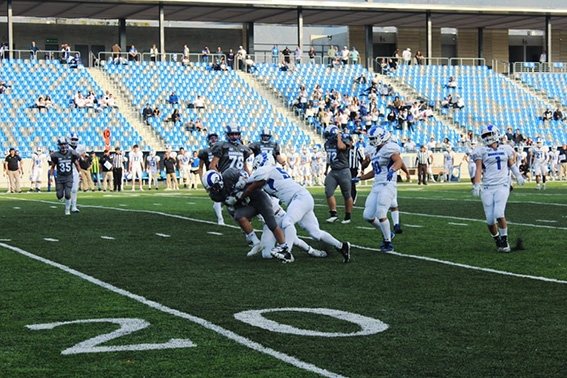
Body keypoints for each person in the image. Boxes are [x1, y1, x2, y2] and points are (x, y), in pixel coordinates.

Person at [240, 153, 351, 263]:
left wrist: (240, 185)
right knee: (316, 233)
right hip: (301, 198)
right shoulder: (271, 172)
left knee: (288, 221)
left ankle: (286, 251)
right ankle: (341, 246)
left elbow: (250, 181)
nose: (257, 170)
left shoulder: (268, 169)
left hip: (299, 198)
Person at [202, 168, 286, 259]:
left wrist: (242, 188)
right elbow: (231, 205)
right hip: (247, 204)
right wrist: (233, 202)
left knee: (271, 224)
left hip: (257, 198)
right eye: (211, 189)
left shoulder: (229, 175)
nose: (214, 190)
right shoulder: (215, 195)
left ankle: (284, 248)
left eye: (214, 186)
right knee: (238, 216)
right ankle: (256, 243)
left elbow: (251, 183)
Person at [472, 125, 525, 252]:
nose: (488, 137)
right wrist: (476, 184)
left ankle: (505, 242)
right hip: (487, 187)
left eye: (489, 134)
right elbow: (478, 168)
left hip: (502, 185)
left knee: (499, 213)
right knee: (490, 220)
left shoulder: (506, 148)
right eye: (485, 135)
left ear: (496, 134)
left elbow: (511, 164)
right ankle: (498, 240)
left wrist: (517, 175)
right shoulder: (481, 151)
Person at [352, 125, 404, 252]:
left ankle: (388, 242)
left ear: (382, 137)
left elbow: (399, 161)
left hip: (388, 185)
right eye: (372, 138)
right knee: (367, 216)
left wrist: (393, 170)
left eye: (375, 138)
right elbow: (375, 171)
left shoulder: (389, 148)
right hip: (377, 185)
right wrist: (361, 178)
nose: (373, 141)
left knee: (381, 212)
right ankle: (388, 233)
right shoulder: (373, 150)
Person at [323, 125, 353, 224]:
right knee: (328, 191)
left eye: (329, 135)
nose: (327, 137)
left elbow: (341, 147)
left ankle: (347, 216)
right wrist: (326, 169)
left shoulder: (344, 141)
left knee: (346, 194)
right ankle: (333, 214)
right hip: (333, 170)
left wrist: (339, 137)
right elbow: (329, 157)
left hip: (343, 170)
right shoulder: (327, 144)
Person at [199, 132, 224, 225]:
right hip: (212, 176)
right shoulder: (205, 152)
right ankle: (220, 219)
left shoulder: (222, 149)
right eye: (211, 138)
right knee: (217, 196)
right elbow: (200, 167)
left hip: (223, 173)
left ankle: (218, 207)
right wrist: (202, 179)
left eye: (215, 138)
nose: (213, 139)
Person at [50, 138, 81, 215]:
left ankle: (67, 210)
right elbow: (53, 166)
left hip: (68, 176)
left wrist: (79, 172)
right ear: (58, 146)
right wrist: (51, 177)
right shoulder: (55, 155)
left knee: (68, 193)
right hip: (60, 177)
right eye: (61, 144)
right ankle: (61, 196)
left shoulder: (71, 153)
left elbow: (77, 164)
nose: (63, 146)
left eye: (64, 144)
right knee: (59, 196)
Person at [347, 134, 364, 205]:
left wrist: (362, 169)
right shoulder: (345, 150)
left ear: (352, 142)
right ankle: (349, 198)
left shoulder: (356, 149)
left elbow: (361, 159)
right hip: (346, 169)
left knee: (352, 184)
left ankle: (353, 198)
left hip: (353, 169)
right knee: (347, 185)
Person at [67, 132, 82, 212]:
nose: (74, 141)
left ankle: (74, 206)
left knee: (75, 189)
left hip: (76, 170)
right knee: (68, 189)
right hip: (67, 170)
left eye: (76, 139)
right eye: (73, 139)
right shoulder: (66, 148)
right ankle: (68, 207)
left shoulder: (79, 148)